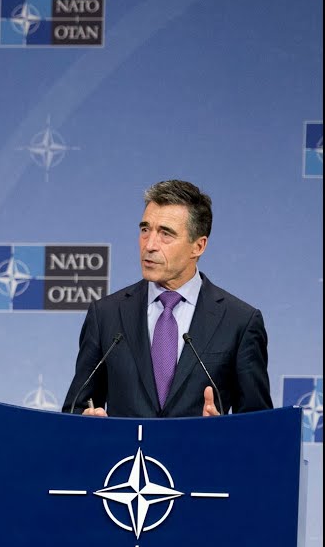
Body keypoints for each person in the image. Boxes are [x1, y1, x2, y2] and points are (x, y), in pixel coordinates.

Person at [62, 179, 272, 418]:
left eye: (165, 234)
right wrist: (86, 422)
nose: (149, 245)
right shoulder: (106, 315)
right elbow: (75, 408)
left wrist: (224, 432)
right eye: (145, 230)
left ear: (198, 246)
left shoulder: (239, 322)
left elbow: (260, 425)